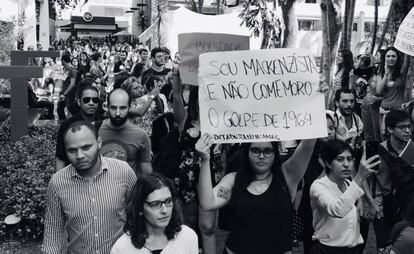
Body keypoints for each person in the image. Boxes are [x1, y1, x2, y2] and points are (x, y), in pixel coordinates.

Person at [196, 133, 317, 254]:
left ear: (275, 153)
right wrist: (205, 160)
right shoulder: (233, 181)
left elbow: (307, 145)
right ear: (246, 152)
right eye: (255, 150)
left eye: (268, 151)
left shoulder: (287, 177)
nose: (261, 156)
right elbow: (208, 202)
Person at [42, 120, 137, 254]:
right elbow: (53, 234)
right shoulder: (57, 183)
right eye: (72, 150)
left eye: (86, 147)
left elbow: (138, 217)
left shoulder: (123, 172)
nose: (79, 156)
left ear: (99, 143)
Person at [310, 139, 380, 254]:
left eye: (350, 159)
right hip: (328, 250)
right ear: (328, 163)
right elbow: (338, 210)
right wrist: (360, 176)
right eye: (340, 159)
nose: (346, 164)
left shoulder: (348, 184)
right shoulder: (318, 186)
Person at [111, 173, 199, 254]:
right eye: (155, 204)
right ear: (140, 209)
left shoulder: (187, 237)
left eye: (168, 201)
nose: (164, 210)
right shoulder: (122, 248)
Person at [99, 88, 152, 174]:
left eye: (123, 108)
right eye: (113, 108)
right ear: (106, 107)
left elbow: (147, 173)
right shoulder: (94, 129)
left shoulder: (141, 135)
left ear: (129, 108)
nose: (117, 113)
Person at [55, 84, 104, 169]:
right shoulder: (67, 125)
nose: (91, 103)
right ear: (79, 102)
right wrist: (59, 180)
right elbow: (60, 157)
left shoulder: (104, 123)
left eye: (95, 100)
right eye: (86, 100)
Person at [376, 47, 406, 139]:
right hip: (384, 110)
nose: (390, 58)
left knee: (398, 139)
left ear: (397, 58)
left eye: (393, 56)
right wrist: (386, 72)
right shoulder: (381, 72)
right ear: (384, 58)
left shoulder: (402, 71)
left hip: (398, 110)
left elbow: (407, 58)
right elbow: (378, 91)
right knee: (385, 140)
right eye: (388, 56)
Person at [57, 53, 78, 120]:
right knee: (59, 109)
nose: (61, 62)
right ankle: (63, 122)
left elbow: (72, 83)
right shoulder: (65, 69)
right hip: (64, 93)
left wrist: (65, 93)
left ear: (63, 60)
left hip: (69, 94)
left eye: (61, 61)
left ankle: (69, 124)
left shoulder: (73, 70)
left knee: (70, 110)